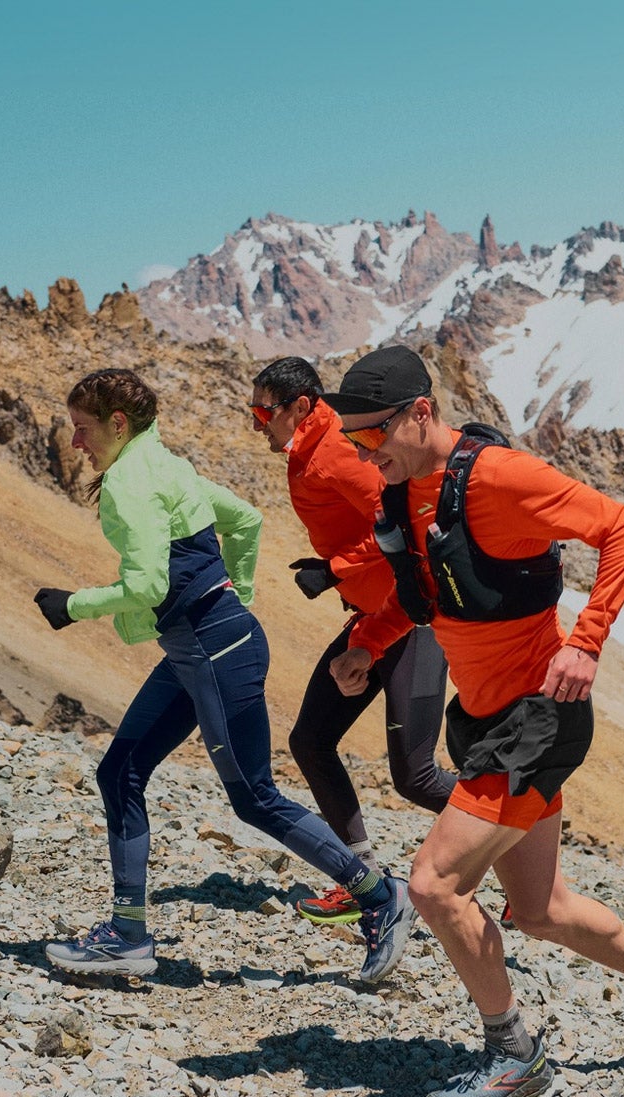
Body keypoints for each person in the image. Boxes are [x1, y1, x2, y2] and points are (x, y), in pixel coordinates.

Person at [325, 346, 624, 1097]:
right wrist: (367, 647)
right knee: (539, 908)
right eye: (352, 442)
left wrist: (585, 641)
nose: (364, 454)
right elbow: (430, 592)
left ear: (420, 413)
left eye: (372, 436)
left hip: (538, 721)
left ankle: (515, 1054)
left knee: (433, 886)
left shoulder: (499, 479)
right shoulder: (406, 491)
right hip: (480, 720)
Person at [32, 368, 416, 985]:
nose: (75, 442)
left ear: (117, 425)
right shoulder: (165, 464)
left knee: (255, 798)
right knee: (120, 771)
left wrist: (71, 605)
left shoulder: (131, 480)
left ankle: (378, 895)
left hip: (212, 652)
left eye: (82, 429)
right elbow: (245, 520)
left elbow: (148, 586)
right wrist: (236, 592)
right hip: (204, 648)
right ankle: (127, 935)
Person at [246, 356, 457, 926]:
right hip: (369, 619)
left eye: (266, 411)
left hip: (410, 621)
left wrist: (335, 567)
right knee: (311, 742)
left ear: (302, 407)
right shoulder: (307, 452)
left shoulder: (338, 449)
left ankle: (519, 830)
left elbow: (398, 525)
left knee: (415, 778)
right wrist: (338, 573)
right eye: (254, 411)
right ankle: (361, 880)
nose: (258, 423)